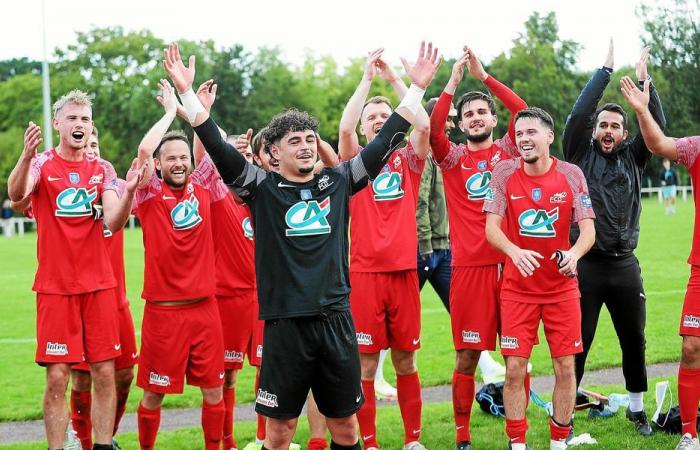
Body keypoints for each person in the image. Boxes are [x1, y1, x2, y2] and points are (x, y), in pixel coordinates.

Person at [163, 40, 441, 450]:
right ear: (274, 153)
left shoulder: (338, 181)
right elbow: (220, 152)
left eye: (310, 138)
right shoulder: (261, 187)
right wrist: (187, 94)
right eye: (295, 140)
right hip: (285, 326)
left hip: (335, 322)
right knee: (279, 432)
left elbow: (385, 143)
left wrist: (415, 89)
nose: (307, 145)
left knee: (345, 428)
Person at [7, 90, 141, 450]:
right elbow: (18, 193)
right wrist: (24, 156)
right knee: (57, 377)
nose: (79, 124)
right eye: (72, 118)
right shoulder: (41, 164)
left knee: (104, 372)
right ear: (57, 124)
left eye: (84, 119)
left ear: (90, 125)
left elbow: (113, 220)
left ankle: (101, 445)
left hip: (98, 286)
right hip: (55, 288)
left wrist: (128, 192)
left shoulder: (101, 170)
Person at [563, 41, 666, 435]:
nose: (607, 131)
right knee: (578, 344)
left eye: (615, 127)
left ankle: (637, 410)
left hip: (625, 267)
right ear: (596, 131)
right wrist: (604, 71)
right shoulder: (578, 153)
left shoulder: (635, 157)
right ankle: (566, 413)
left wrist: (645, 84)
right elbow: (577, 117)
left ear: (625, 133)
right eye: (603, 125)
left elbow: (655, 127)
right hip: (586, 266)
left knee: (634, 340)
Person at [429, 46, 528, 450]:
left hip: (511, 267)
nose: (474, 118)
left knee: (515, 358)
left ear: (491, 119)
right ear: (462, 123)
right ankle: (462, 436)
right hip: (468, 270)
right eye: (468, 114)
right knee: (467, 357)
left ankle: (515, 438)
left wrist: (483, 76)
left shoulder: (508, 151)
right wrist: (452, 82)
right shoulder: (451, 160)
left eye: (481, 112)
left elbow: (521, 110)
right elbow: (434, 130)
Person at [484, 107, 596, 450]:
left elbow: (588, 230)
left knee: (565, 367)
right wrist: (514, 252)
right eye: (519, 134)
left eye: (530, 132)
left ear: (548, 136)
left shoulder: (572, 174)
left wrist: (573, 256)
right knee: (515, 368)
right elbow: (491, 229)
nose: (523, 140)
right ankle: (517, 443)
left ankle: (559, 441)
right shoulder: (503, 172)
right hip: (518, 290)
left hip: (561, 289)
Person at [338, 48, 432, 450]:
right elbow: (342, 131)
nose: (378, 121)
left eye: (384, 116)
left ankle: (412, 441)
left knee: (406, 362)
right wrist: (365, 82)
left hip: (403, 273)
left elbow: (423, 127)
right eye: (371, 119)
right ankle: (371, 443)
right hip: (363, 276)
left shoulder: (408, 160)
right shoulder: (355, 162)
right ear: (364, 131)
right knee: (365, 364)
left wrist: (401, 83)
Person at [131, 80, 226, 450]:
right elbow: (142, 148)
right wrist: (170, 112)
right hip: (163, 314)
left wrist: (194, 109)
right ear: (158, 164)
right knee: (153, 395)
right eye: (170, 158)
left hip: (205, 310)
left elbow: (213, 147)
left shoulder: (201, 184)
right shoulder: (149, 191)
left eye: (183, 156)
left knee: (214, 391)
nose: (179, 162)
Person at [620, 74, 700, 450]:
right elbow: (657, 142)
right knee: (690, 348)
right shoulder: (697, 148)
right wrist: (641, 109)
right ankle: (688, 434)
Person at [70, 127, 138, 450]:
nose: (92, 149)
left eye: (97, 144)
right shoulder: (69, 191)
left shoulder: (116, 187)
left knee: (124, 376)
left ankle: (105, 436)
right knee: (83, 378)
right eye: (88, 145)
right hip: (84, 297)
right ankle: (82, 440)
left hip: (117, 301)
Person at [417, 97, 452, 313]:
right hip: (424, 250)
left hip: (445, 248)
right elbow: (419, 202)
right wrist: (424, 244)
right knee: (401, 314)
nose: (452, 125)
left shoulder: (445, 157)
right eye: (447, 119)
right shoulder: (423, 156)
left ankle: (481, 348)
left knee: (462, 312)